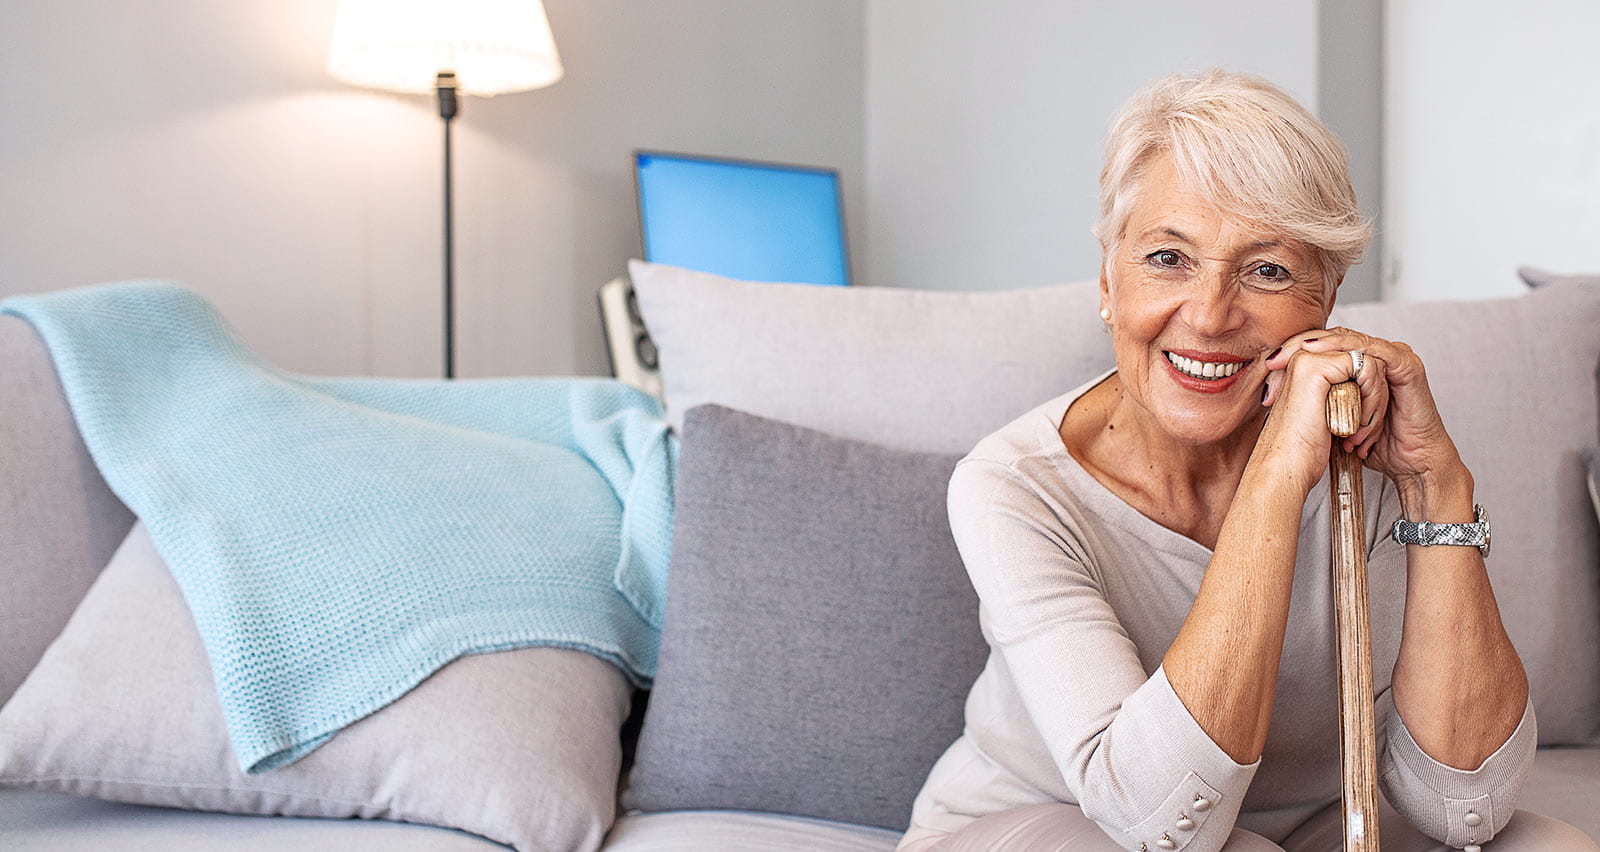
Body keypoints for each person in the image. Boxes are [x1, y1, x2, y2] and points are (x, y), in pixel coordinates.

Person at [896, 70, 1598, 852]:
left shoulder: (1369, 447)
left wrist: (1434, 485)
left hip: (1310, 831)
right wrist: (1276, 473)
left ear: (1324, 302)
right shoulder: (1014, 486)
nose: (1208, 315)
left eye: (1266, 270)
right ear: (1106, 279)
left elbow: (1467, 805)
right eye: (1168, 257)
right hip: (1053, 825)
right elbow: (1157, 822)